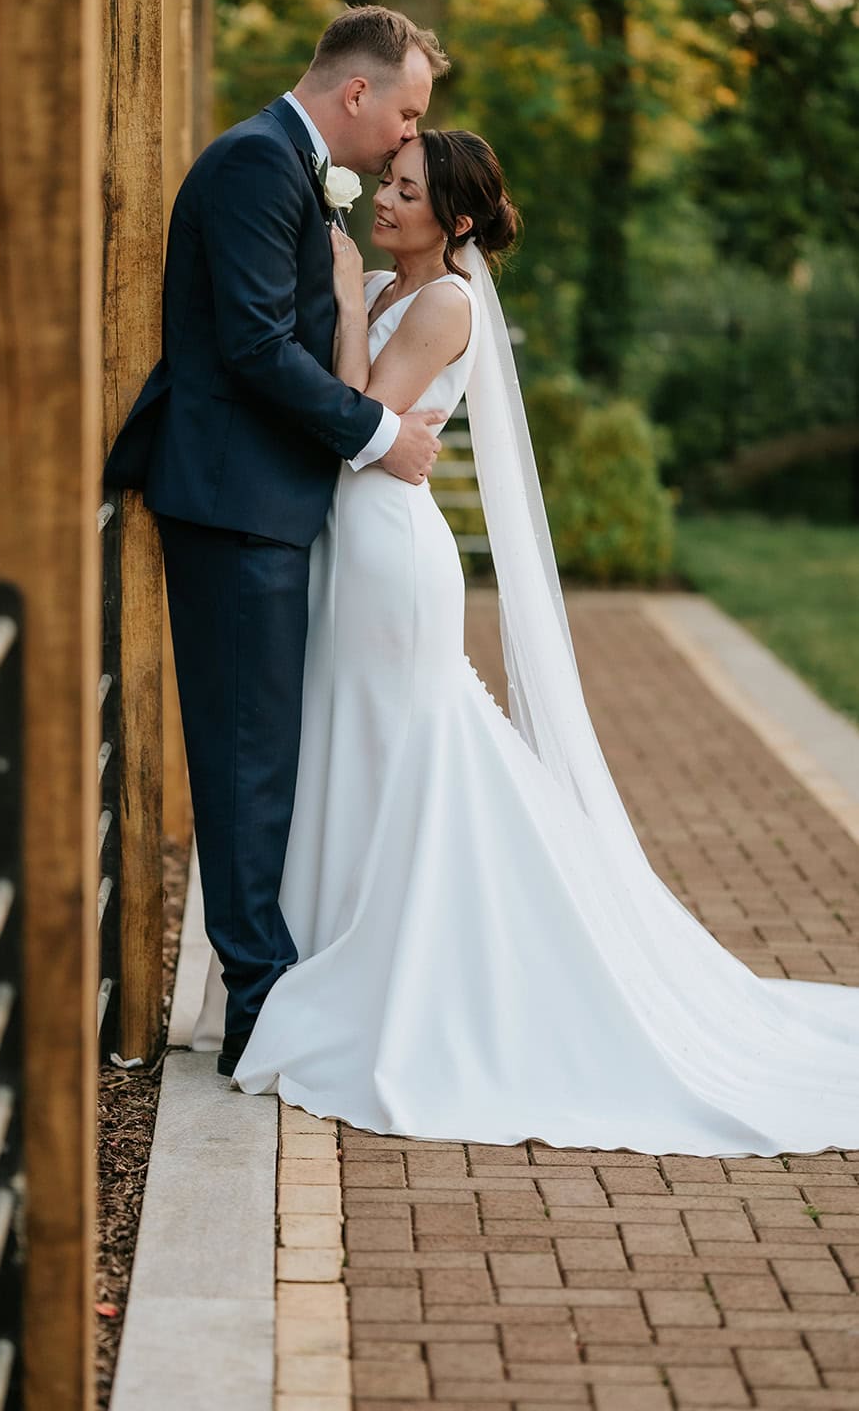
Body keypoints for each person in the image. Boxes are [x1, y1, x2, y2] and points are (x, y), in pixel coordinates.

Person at [229, 128, 859, 1156]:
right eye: (383, 184)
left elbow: (357, 416)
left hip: (391, 558)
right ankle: (336, 949)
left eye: (403, 191)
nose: (382, 202)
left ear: (456, 221)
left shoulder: (440, 303)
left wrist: (343, 300)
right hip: (350, 541)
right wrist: (349, 297)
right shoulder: (398, 291)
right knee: (355, 743)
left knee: (404, 748)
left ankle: (410, 970)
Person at [104, 7, 451, 1076]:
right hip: (235, 502)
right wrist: (377, 430)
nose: (405, 138)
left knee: (260, 751)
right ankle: (259, 1007)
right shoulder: (257, 165)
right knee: (247, 757)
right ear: (356, 94)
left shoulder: (283, 164)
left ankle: (267, 986)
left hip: (260, 501)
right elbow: (254, 346)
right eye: (404, 112)